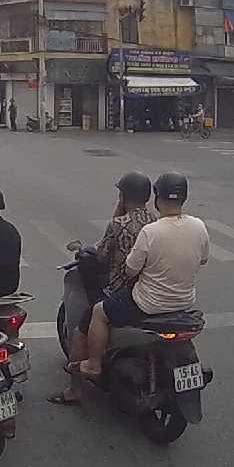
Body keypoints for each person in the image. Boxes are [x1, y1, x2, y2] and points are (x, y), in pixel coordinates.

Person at [75, 172, 208, 379]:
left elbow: (130, 269)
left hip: (148, 303)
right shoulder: (198, 226)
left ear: (157, 197)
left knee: (99, 312)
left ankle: (93, 364)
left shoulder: (151, 231)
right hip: (184, 302)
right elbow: (203, 260)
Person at [49, 172, 156, 405]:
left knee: (83, 327)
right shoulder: (156, 223)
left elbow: (101, 256)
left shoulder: (118, 224)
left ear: (123, 196)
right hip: (151, 290)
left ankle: (76, 388)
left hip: (121, 292)